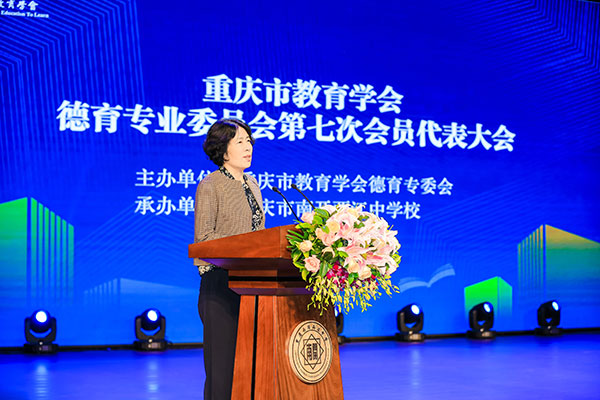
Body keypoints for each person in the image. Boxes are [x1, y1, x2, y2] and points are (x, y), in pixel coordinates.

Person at [194, 118, 264, 400]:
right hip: (220, 285)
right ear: (223, 150)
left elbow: (259, 235)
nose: (248, 147)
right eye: (240, 142)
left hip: (253, 284)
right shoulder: (210, 185)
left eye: (249, 141)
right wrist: (240, 249)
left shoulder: (253, 185)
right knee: (222, 369)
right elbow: (203, 239)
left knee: (250, 366)